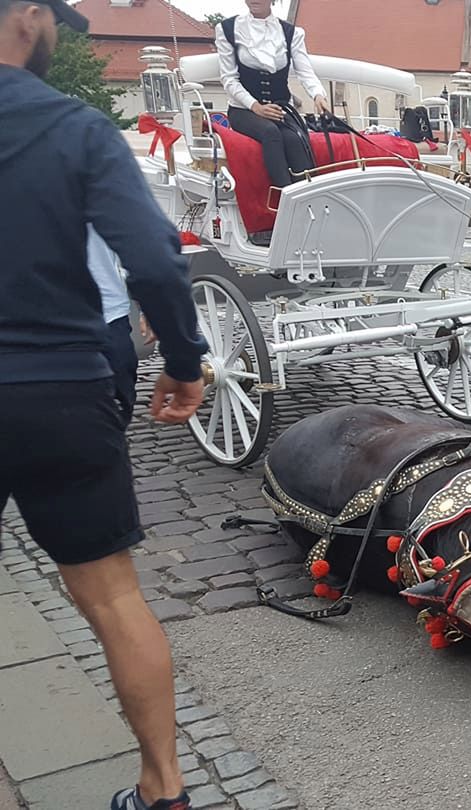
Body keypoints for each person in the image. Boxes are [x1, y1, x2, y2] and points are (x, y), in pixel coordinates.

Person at [1, 2, 209, 809]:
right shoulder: (74, 127)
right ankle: (164, 790)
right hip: (59, 384)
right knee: (113, 597)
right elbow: (154, 258)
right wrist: (185, 364)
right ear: (25, 17)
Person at [215, 0, 328, 190]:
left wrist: (318, 95)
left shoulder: (291, 32)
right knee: (270, 133)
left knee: (295, 138)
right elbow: (229, 79)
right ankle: (285, 195)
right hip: (244, 110)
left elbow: (304, 71)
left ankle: (309, 195)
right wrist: (256, 106)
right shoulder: (228, 29)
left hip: (279, 108)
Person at [87, 225, 140, 423]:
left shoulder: (100, 194)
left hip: (109, 312)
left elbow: (132, 247)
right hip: (45, 320)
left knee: (121, 385)